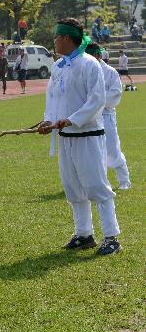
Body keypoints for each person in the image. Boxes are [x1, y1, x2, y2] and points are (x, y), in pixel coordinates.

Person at [37, 18, 121, 256]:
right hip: (65, 136)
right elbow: (53, 100)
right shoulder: (58, 67)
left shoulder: (89, 64)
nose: (54, 41)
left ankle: (111, 236)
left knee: (96, 185)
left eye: (56, 37)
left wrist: (73, 119)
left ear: (66, 38)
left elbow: (97, 100)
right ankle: (83, 234)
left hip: (87, 134)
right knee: (72, 187)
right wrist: (48, 120)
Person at [85, 44, 131, 190]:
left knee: (112, 148)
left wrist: (96, 100)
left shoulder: (110, 72)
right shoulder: (84, 70)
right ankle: (98, 182)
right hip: (89, 116)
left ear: (98, 55)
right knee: (92, 151)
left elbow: (116, 94)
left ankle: (124, 180)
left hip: (106, 115)